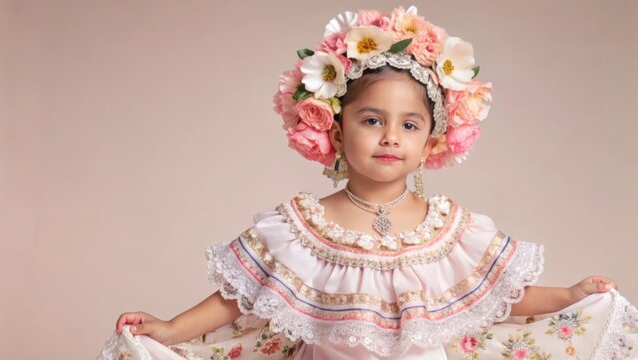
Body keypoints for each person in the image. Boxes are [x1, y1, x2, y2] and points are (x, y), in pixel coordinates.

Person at [98, 6, 638, 360]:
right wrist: (170, 329)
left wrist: (569, 295)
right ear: (334, 128)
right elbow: (235, 299)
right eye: (371, 120)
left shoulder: (450, 231)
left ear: (431, 143)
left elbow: (505, 296)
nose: (389, 138)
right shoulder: (300, 227)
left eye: (409, 126)